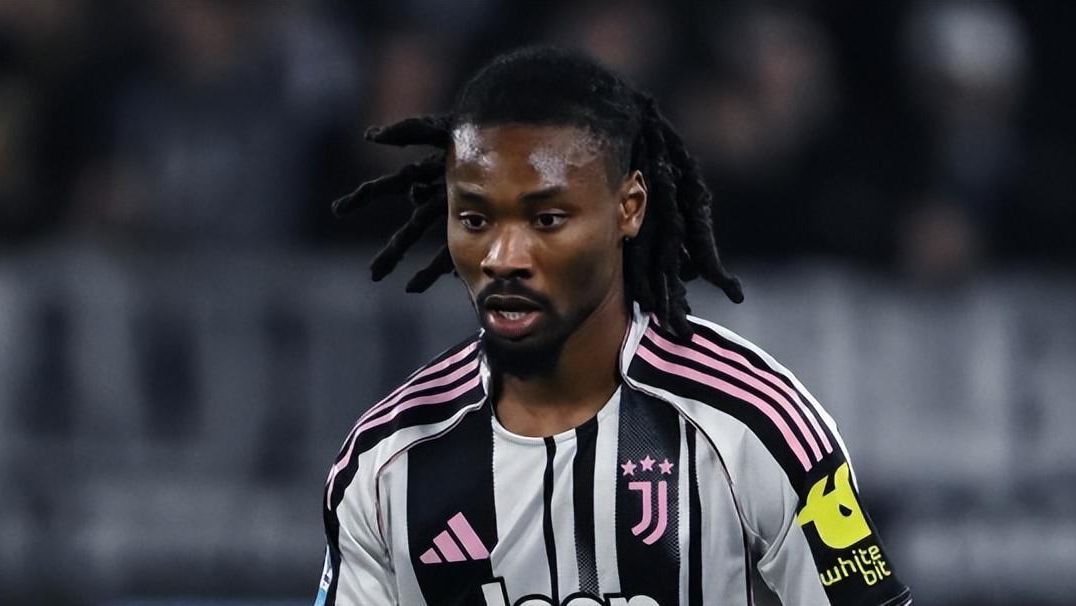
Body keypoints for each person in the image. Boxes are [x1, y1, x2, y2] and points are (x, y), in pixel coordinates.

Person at [316, 46, 911, 606]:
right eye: (474, 219)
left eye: (547, 219)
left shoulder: (754, 422)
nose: (503, 257)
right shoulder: (385, 461)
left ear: (629, 208)